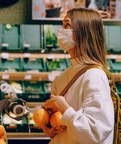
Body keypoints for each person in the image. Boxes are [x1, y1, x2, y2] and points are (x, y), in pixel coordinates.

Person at [41, 8, 114, 144]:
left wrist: (63, 106)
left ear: (83, 32)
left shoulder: (94, 76)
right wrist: (51, 127)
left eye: (67, 25)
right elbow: (65, 126)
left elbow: (95, 132)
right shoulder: (61, 78)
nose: (61, 30)